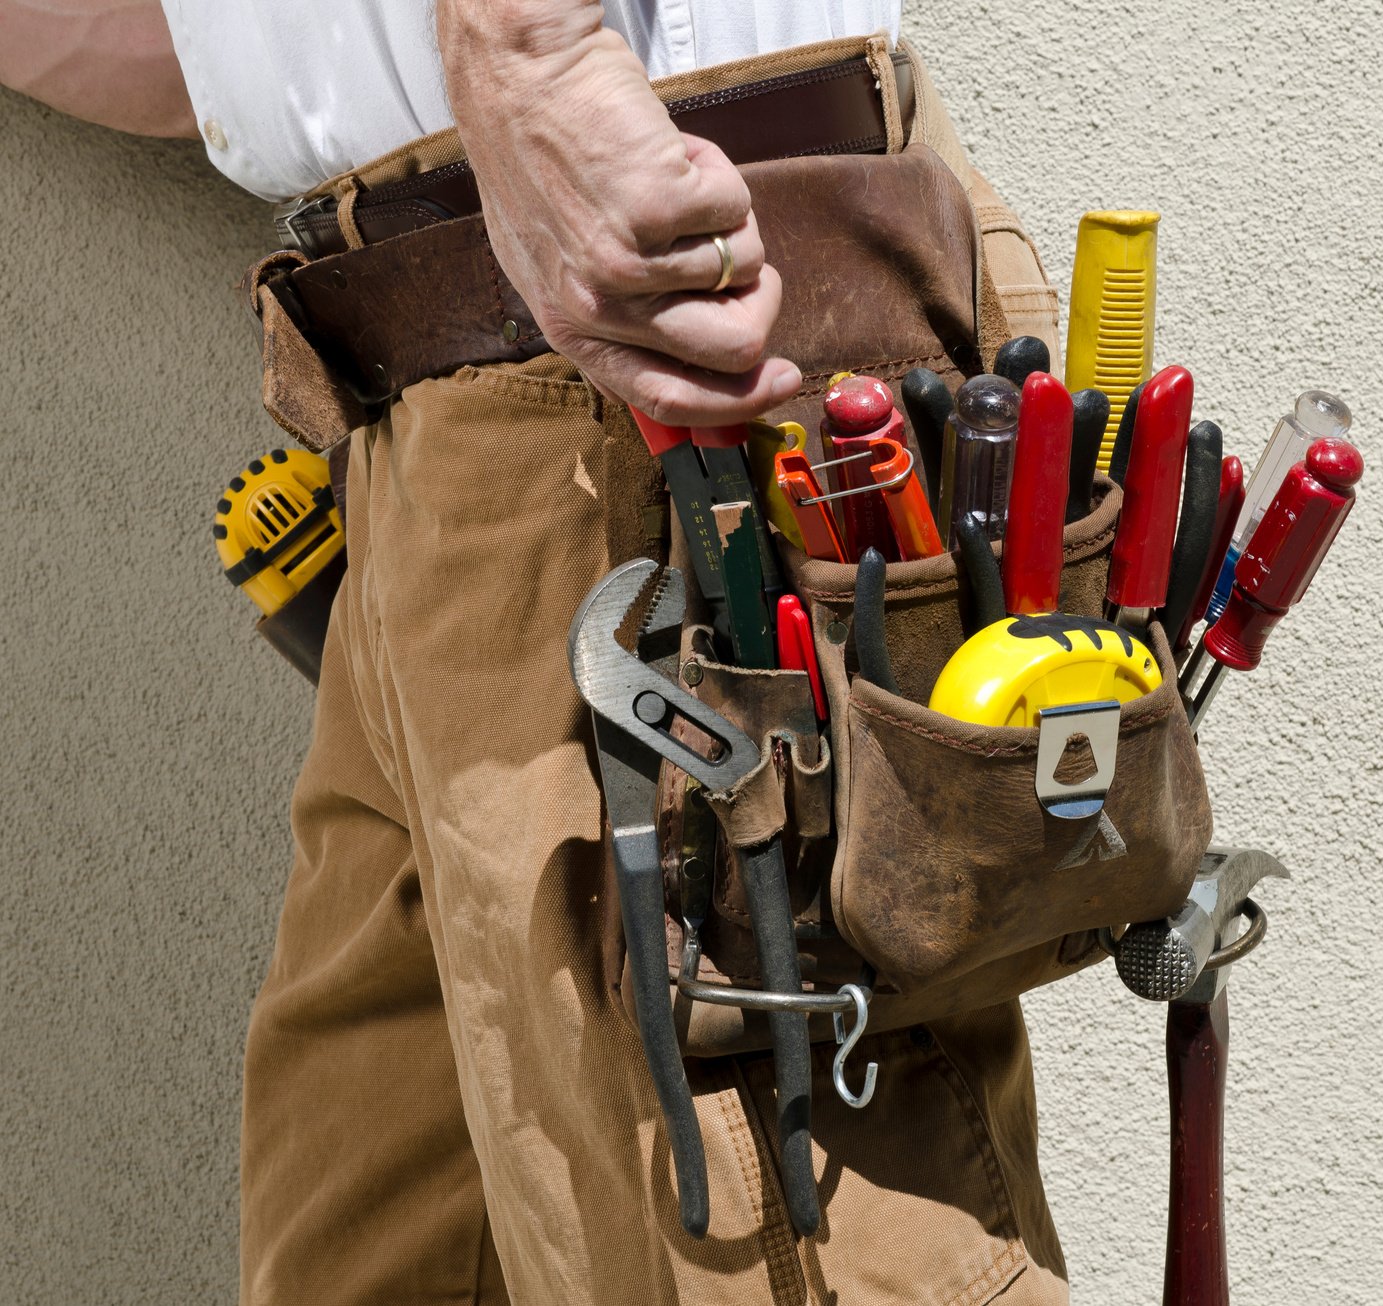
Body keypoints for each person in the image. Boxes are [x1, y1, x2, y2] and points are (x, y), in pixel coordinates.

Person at [1, 3, 1067, 1302]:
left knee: (759, 1236)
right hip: (433, 390)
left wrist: (534, 56)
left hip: (646, 317)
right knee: (366, 1248)